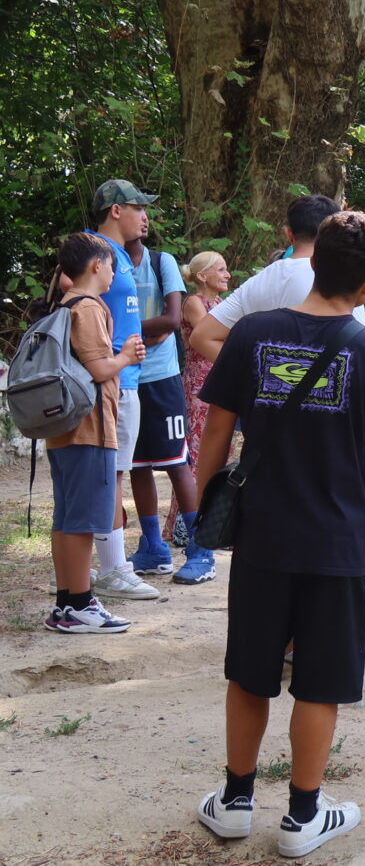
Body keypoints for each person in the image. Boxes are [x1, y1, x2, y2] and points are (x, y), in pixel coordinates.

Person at [193, 210, 365, 858]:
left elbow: (215, 430)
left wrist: (204, 506)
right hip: (339, 540)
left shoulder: (253, 335)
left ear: (310, 263)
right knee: (319, 680)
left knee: (250, 671)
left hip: (261, 533)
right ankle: (302, 818)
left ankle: (235, 802)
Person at [42, 233, 145, 633]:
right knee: (84, 521)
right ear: (96, 266)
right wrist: (127, 356)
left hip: (65, 429)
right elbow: (100, 369)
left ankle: (67, 605)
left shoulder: (65, 304)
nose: (115, 272)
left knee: (68, 518)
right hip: (89, 428)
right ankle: (81, 604)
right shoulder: (87, 307)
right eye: (112, 265)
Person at [124, 229, 216, 584]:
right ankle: (152, 548)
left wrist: (126, 334)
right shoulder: (108, 263)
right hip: (125, 377)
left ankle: (200, 549)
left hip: (161, 378)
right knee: (136, 464)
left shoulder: (161, 263)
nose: (143, 216)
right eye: (136, 208)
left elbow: (171, 320)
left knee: (177, 463)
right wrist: (146, 331)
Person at [87, 179, 158, 603]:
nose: (144, 215)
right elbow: (70, 297)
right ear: (116, 210)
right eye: (137, 207)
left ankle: (114, 566)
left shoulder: (119, 256)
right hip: (112, 380)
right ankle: (113, 569)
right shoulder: (95, 251)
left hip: (125, 378)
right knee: (110, 475)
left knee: (115, 473)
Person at [188, 195, 364, 362]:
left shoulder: (259, 281)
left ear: (289, 234)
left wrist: (255, 377)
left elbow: (201, 337)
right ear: (335, 234)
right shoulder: (343, 279)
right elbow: (359, 347)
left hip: (268, 391)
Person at [166, 251, 232, 545]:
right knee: (197, 453)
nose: (227, 275)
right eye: (221, 269)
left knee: (221, 452)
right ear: (202, 276)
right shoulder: (194, 302)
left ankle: (214, 522)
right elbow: (216, 336)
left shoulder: (220, 304)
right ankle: (185, 526)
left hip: (219, 382)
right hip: (199, 386)